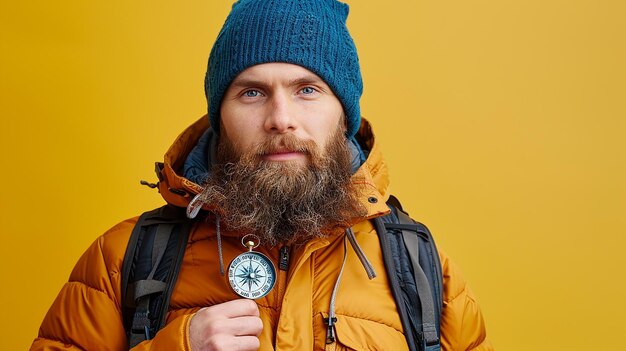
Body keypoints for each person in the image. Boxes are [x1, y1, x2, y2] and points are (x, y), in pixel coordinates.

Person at [32, 0, 492, 350]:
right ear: (220, 116)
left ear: (343, 115)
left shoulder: (423, 270)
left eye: (307, 90)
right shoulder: (122, 259)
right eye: (252, 92)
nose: (280, 118)